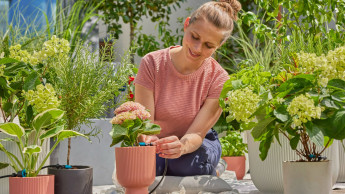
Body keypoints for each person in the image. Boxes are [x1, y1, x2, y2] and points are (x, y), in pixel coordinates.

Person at [134, 0, 241, 176]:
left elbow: (197, 134)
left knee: (183, 166)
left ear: (218, 46)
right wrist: (149, 139)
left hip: (197, 142)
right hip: (159, 142)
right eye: (195, 37)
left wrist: (181, 147)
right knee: (153, 166)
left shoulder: (219, 79)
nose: (197, 48)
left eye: (209, 46)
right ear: (186, 24)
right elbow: (145, 124)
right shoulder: (152, 63)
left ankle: (215, 166)